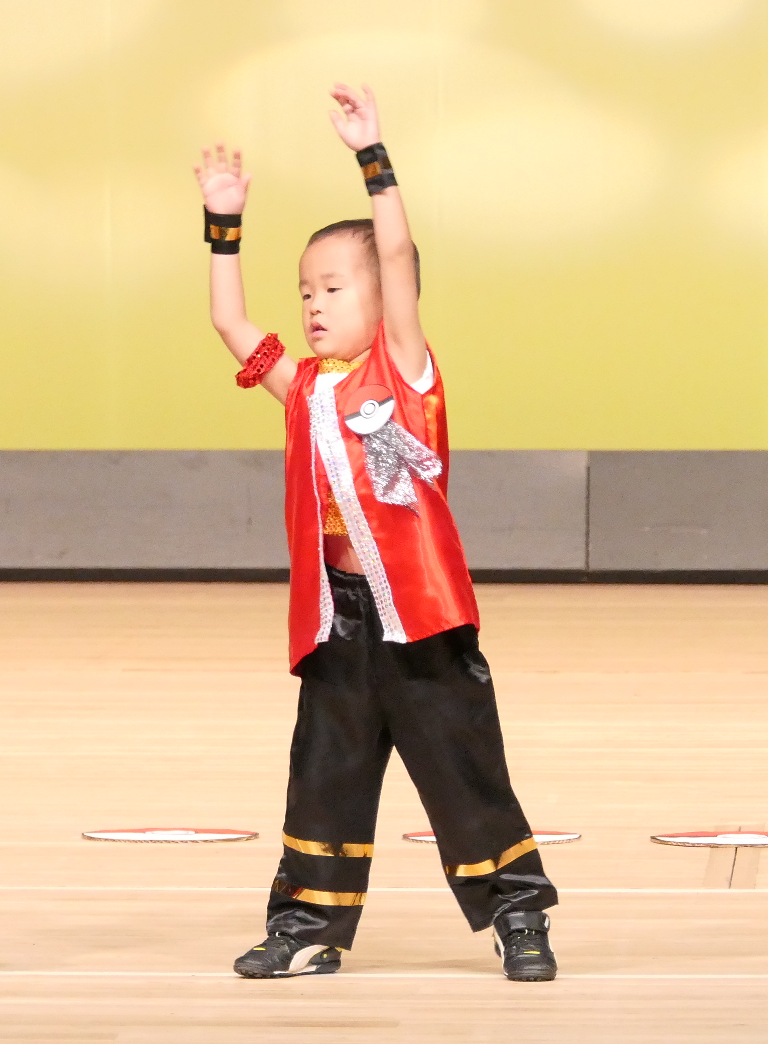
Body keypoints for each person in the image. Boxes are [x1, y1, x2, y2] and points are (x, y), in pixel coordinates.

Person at [193, 85, 557, 982]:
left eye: (332, 287)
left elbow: (395, 251)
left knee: (464, 775)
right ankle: (306, 927)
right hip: (338, 625)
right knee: (325, 777)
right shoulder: (302, 388)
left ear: (385, 297)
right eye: (304, 291)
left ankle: (518, 916)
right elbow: (229, 322)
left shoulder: (404, 370)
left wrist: (373, 157)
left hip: (422, 623)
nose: (313, 304)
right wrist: (223, 225)